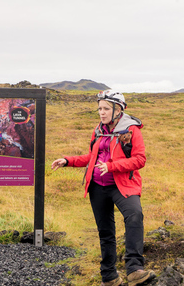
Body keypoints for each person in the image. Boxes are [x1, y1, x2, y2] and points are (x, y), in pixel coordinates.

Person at [51, 90, 155, 286]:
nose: (101, 112)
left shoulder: (132, 130)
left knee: (134, 216)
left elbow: (140, 160)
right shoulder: (98, 130)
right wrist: (68, 160)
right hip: (97, 187)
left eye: (106, 108)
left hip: (122, 185)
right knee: (105, 232)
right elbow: (91, 157)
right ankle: (109, 276)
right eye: (99, 108)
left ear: (118, 109)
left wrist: (111, 166)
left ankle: (134, 269)